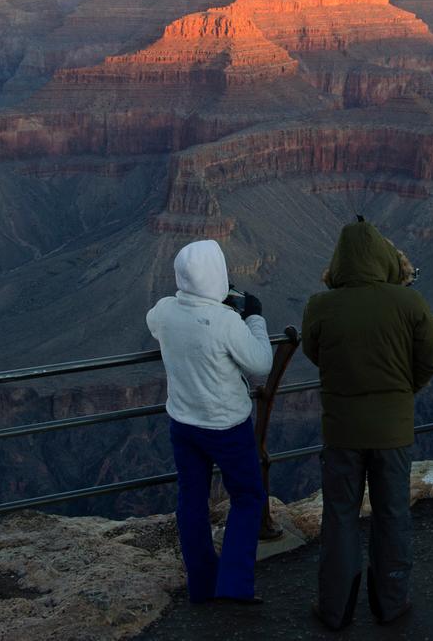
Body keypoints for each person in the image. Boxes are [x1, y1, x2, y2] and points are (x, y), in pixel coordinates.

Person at [302, 218, 433, 630]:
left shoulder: (320, 305)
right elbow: (432, 357)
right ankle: (391, 604)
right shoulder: (409, 303)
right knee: (392, 514)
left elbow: (316, 352)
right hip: (392, 432)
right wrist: (402, 391)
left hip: (342, 431)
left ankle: (335, 609)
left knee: (341, 516)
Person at [146, 239, 273, 604]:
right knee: (248, 498)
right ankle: (233, 586)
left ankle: (201, 585)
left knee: (192, 500)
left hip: (184, 426)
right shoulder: (225, 321)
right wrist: (254, 316)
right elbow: (261, 365)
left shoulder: (165, 311)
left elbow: (156, 320)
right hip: (228, 428)